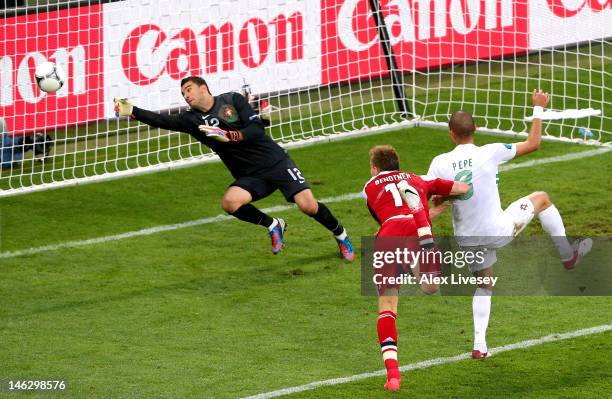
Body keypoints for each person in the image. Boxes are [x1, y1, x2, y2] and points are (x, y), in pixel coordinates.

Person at [426, 89, 593, 359]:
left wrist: (441, 203)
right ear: (475, 130)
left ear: (450, 133)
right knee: (541, 199)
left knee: (484, 284)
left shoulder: (439, 163)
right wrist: (538, 108)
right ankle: (568, 256)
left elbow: (431, 194)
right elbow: (533, 143)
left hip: (467, 239)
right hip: (497, 231)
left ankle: (479, 345)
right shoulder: (490, 152)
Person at [113, 76, 354, 260]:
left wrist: (229, 136)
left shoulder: (232, 100)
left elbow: (256, 129)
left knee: (308, 206)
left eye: (189, 90)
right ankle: (273, 225)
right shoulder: (191, 120)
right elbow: (161, 120)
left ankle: (341, 235)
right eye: (183, 93)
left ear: (203, 88)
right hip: (251, 176)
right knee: (230, 203)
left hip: (276, 163)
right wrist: (133, 111)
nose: (186, 95)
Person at [362, 145, 469, 391]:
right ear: (397, 164)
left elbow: (384, 213)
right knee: (430, 287)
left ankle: (393, 377)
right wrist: (440, 198)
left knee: (387, 307)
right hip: (415, 227)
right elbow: (463, 188)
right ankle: (422, 223)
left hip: (389, 232)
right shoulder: (418, 179)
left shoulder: (368, 187)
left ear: (375, 168)